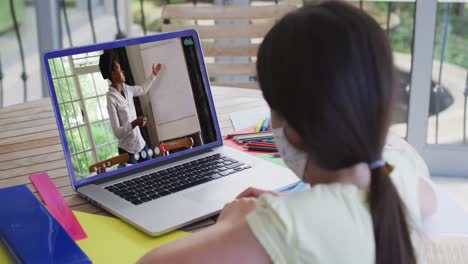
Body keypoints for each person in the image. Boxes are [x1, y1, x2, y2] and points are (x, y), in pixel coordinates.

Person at [138, 2, 437, 263]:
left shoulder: (283, 228)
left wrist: (230, 227)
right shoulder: (401, 175)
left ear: (292, 131)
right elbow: (425, 200)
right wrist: (298, 206)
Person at [99, 52, 162, 164]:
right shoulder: (111, 98)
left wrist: (153, 75)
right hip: (127, 152)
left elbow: (143, 89)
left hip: (141, 145)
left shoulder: (127, 89)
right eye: (119, 68)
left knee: (154, 174)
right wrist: (135, 123)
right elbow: (117, 132)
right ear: (113, 74)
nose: (123, 71)